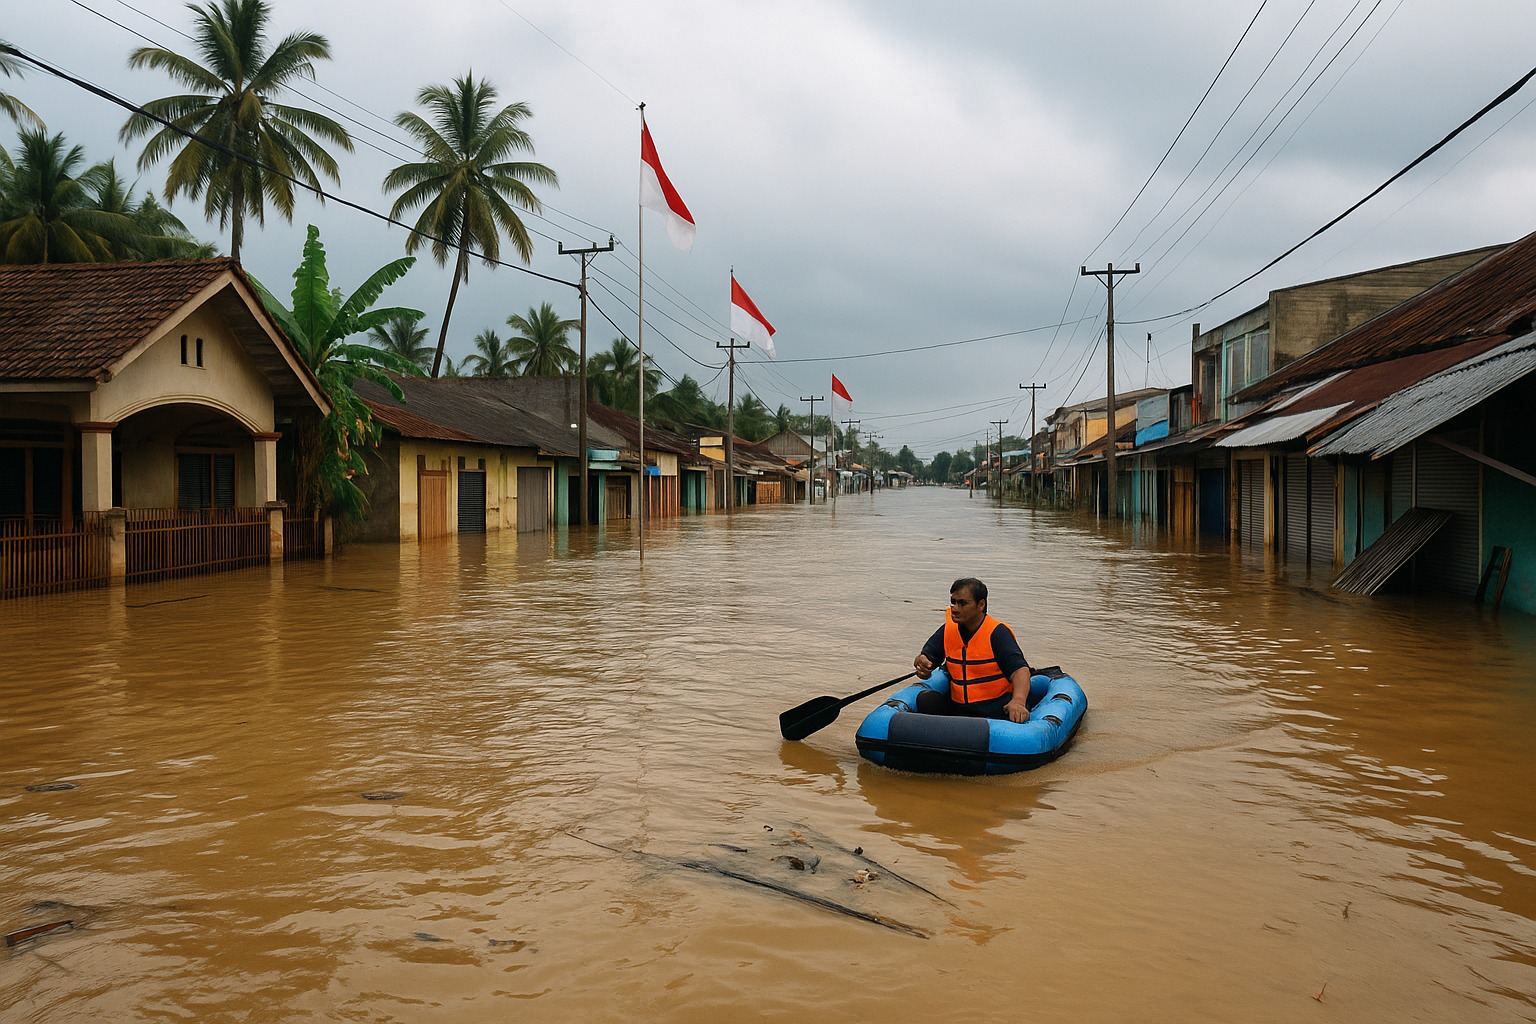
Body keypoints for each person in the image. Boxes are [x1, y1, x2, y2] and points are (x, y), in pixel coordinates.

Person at [912, 577, 1034, 723]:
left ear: (981, 604)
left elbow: (1020, 670)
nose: (955, 608)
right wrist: (922, 664)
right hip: (959, 707)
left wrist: (1018, 701)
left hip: (995, 707)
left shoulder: (997, 633)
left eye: (962, 603)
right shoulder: (948, 631)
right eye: (953, 602)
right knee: (925, 699)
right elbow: (926, 659)